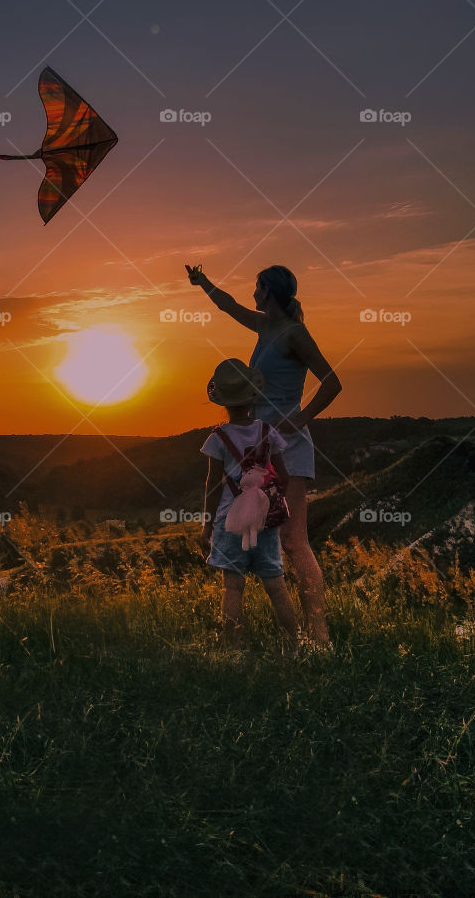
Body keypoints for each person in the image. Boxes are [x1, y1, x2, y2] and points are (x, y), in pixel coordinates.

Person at [187, 263, 340, 646]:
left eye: (256, 287)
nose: (252, 293)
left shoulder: (294, 333)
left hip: (287, 445)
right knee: (273, 539)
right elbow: (228, 306)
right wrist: (203, 281)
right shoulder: (264, 326)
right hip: (259, 446)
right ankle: (291, 633)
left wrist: (300, 418)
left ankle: (319, 637)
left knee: (293, 541)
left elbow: (331, 381)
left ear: (267, 291)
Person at [199, 358, 299, 655]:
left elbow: (212, 485)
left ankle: (232, 648)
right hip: (264, 521)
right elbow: (284, 475)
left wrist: (206, 527)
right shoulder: (268, 432)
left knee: (233, 587)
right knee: (276, 585)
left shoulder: (218, 439)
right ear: (252, 397)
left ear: (224, 403)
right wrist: (270, 501)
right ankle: (293, 646)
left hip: (230, 523)